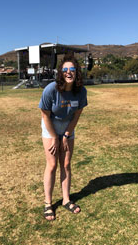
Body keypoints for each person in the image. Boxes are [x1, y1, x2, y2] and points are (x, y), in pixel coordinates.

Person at [38, 54, 88, 221]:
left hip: (68, 127)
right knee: (52, 164)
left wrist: (66, 135)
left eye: (72, 70)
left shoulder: (81, 91)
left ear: (76, 73)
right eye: (65, 70)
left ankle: (66, 200)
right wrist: (54, 137)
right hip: (50, 126)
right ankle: (48, 203)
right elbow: (45, 115)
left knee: (65, 164)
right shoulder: (51, 89)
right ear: (60, 73)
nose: (68, 73)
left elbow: (76, 116)